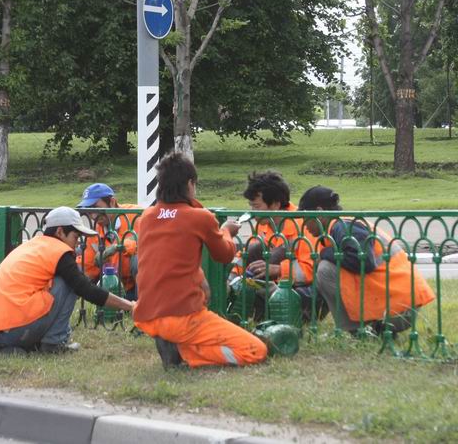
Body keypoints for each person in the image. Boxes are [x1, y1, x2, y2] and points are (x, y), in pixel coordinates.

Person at [133, 152, 267, 369]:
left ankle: (178, 344)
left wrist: (200, 279)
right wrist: (226, 231)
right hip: (183, 317)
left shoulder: (147, 217)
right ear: (189, 183)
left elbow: (173, 260)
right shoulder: (200, 217)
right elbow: (223, 254)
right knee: (255, 351)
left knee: (188, 328)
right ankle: (187, 354)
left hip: (148, 315)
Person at [0, 206, 135, 355]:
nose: (77, 242)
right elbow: (85, 289)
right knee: (68, 282)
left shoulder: (32, 246)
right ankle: (54, 343)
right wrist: (130, 306)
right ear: (60, 232)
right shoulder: (59, 251)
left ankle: (10, 348)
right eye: (75, 236)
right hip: (14, 330)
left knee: (61, 282)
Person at [298, 186, 435, 335]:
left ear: (319, 212)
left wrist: (325, 253)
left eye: (305, 218)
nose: (304, 225)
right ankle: (375, 329)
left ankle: (356, 331)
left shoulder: (344, 227)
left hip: (401, 308)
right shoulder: (342, 225)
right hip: (402, 303)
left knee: (325, 269)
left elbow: (364, 261)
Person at [240, 171, 323, 321]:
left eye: (256, 207)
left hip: (306, 293)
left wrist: (278, 270)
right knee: (255, 250)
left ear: (276, 204)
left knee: (277, 253)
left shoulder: (304, 226)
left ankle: (290, 318)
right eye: (251, 206)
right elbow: (248, 255)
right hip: (280, 287)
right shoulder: (264, 224)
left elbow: (312, 270)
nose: (253, 213)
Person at [76, 183, 139, 300]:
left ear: (112, 202)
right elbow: (87, 268)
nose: (93, 216)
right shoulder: (94, 232)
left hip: (138, 287)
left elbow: (151, 241)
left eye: (97, 208)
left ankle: (145, 309)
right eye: (89, 211)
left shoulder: (137, 215)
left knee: (139, 259)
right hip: (114, 290)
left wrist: (118, 247)